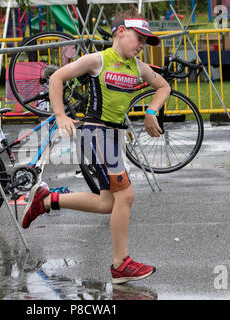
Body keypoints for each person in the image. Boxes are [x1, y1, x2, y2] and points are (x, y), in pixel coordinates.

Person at [21, 7, 171, 284]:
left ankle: (46, 201)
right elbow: (56, 78)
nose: (141, 46)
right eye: (139, 38)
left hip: (113, 138)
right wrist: (60, 115)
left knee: (107, 203)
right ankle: (121, 265)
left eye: (145, 42)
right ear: (121, 32)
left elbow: (163, 87)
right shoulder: (97, 60)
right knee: (125, 197)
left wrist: (151, 111)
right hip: (96, 135)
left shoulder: (138, 68)